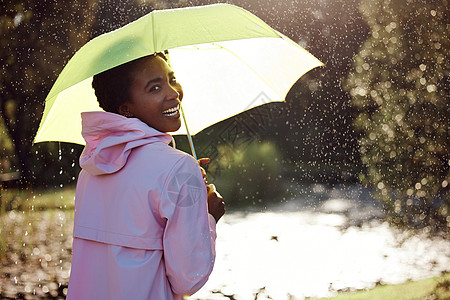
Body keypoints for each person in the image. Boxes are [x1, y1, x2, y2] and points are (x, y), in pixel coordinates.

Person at [66, 52, 225, 300]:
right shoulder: (179, 168)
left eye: (172, 79)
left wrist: (186, 181)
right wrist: (208, 217)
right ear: (126, 109)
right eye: (155, 88)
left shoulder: (90, 170)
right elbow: (187, 279)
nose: (173, 92)